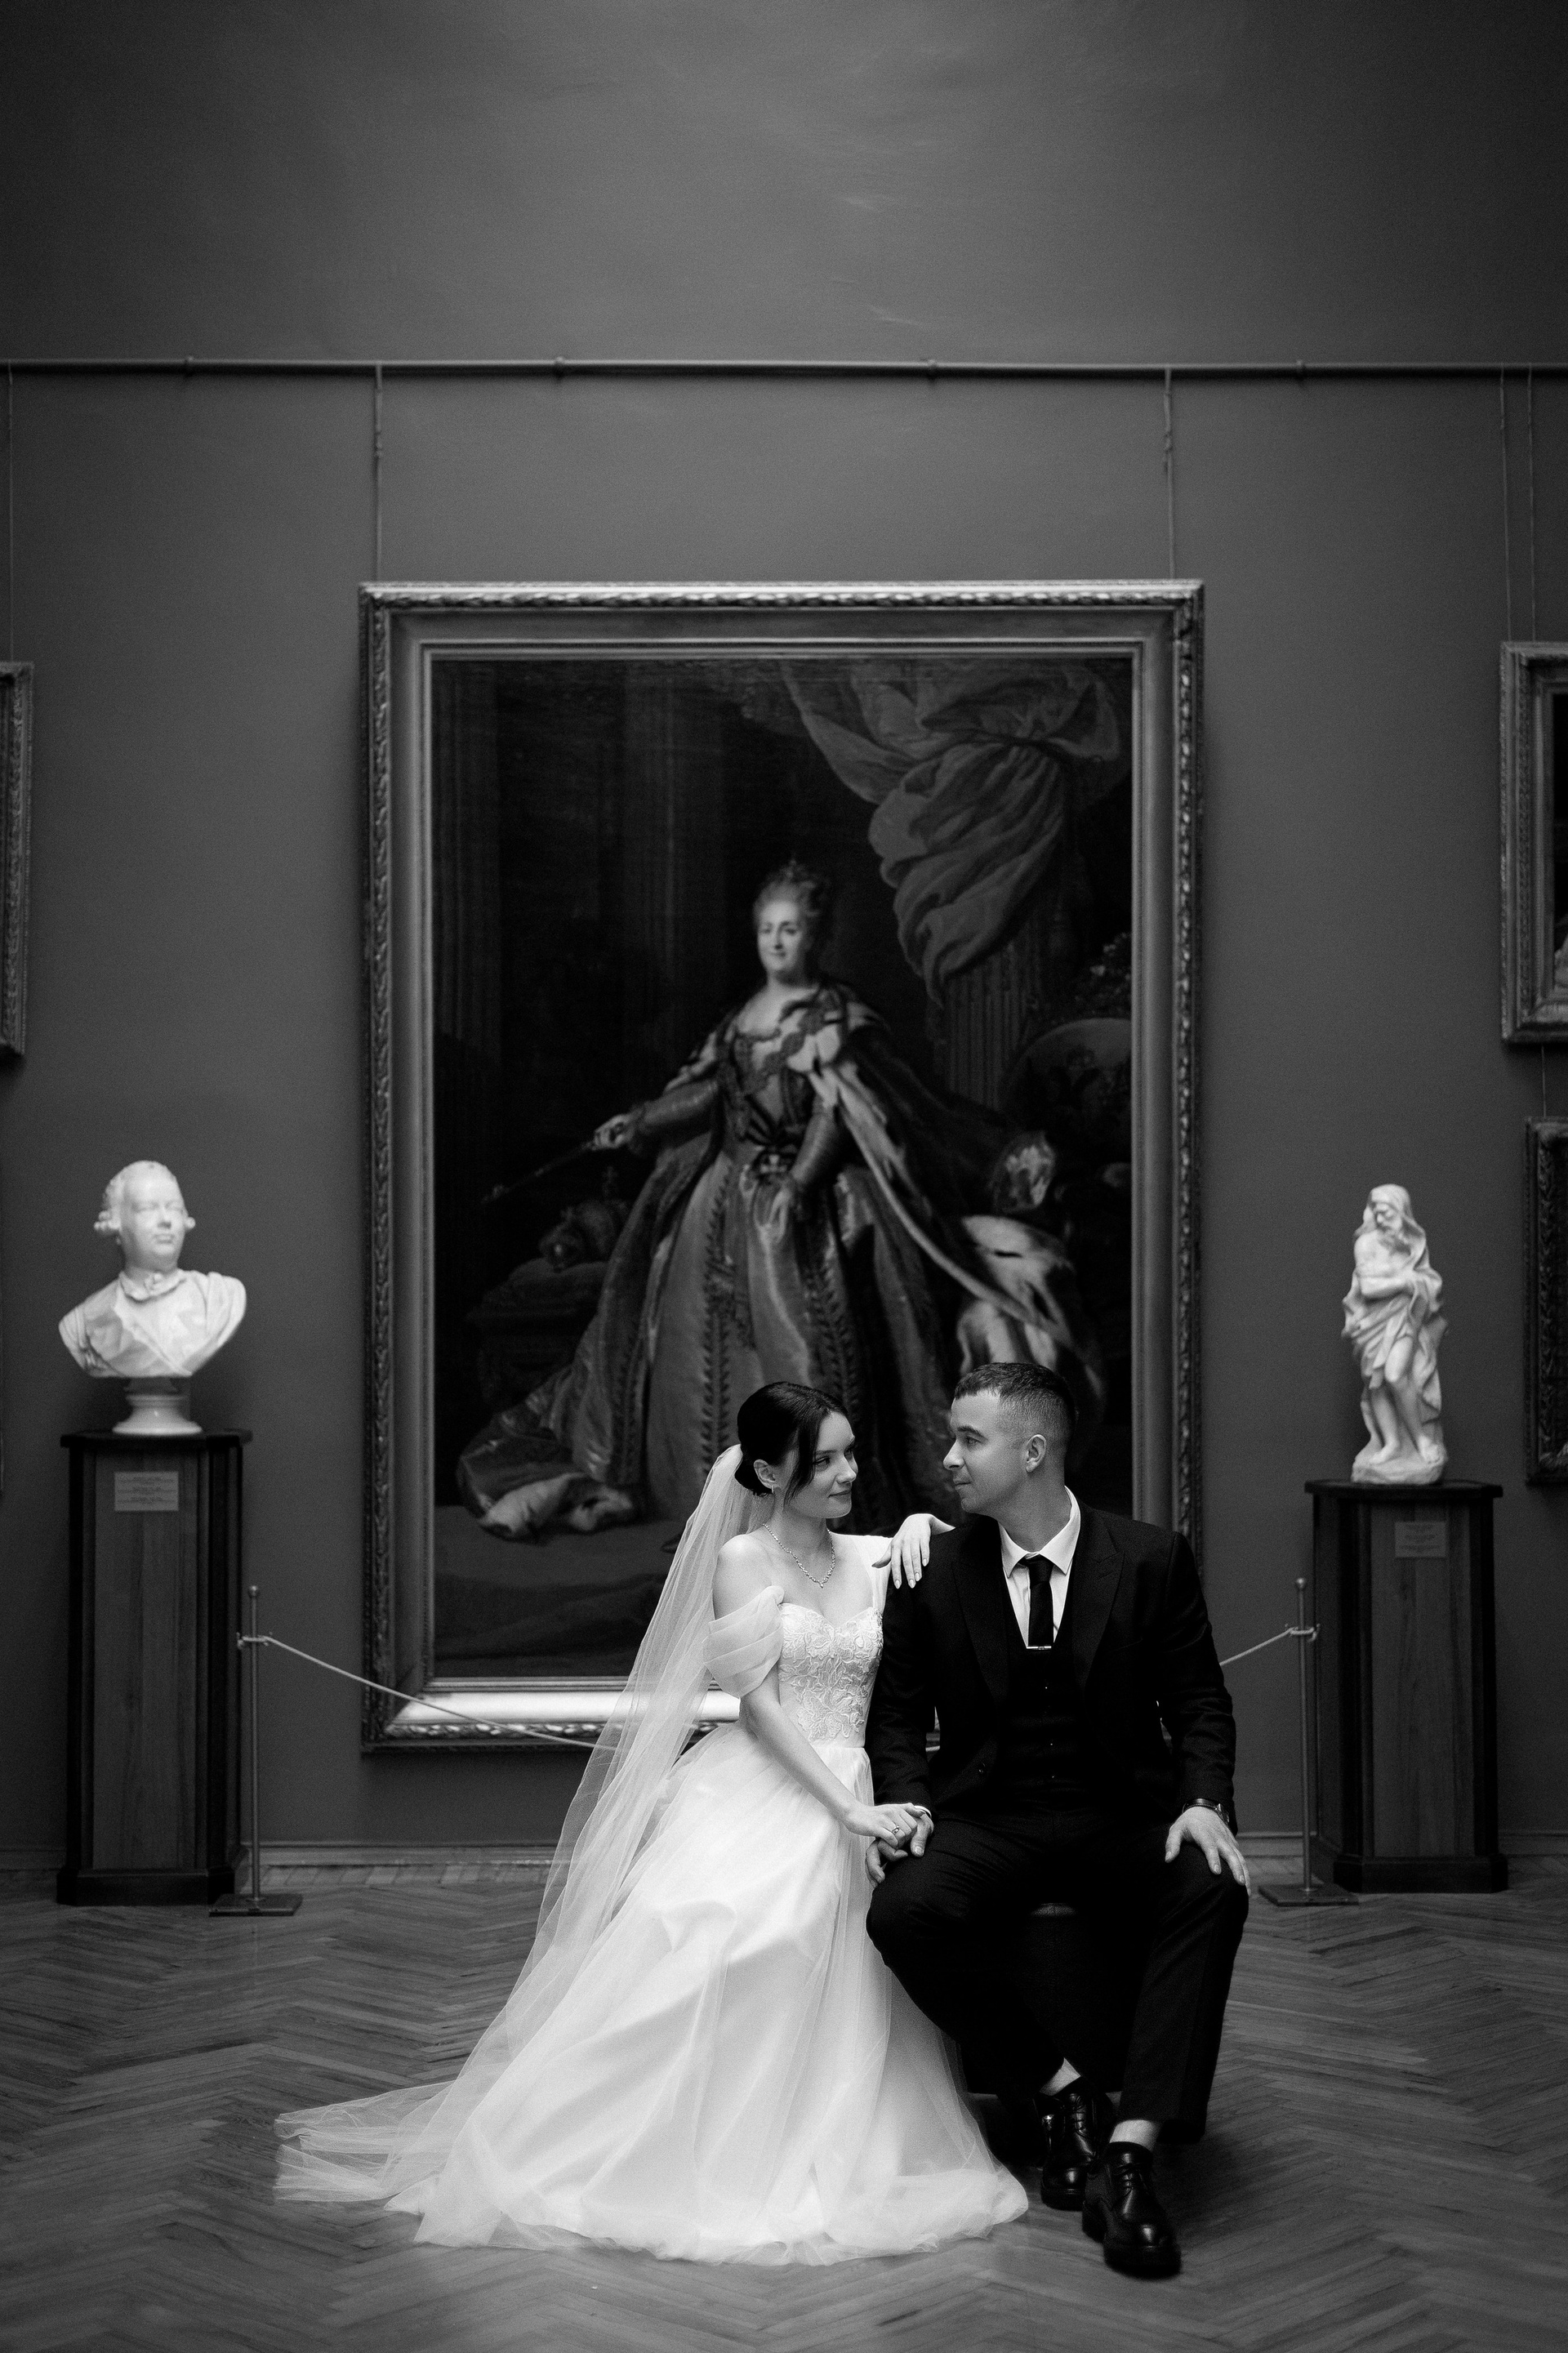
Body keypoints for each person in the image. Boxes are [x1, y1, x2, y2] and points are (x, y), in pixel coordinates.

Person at [276, 1382, 1027, 2262]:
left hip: (863, 1783)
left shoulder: (876, 1554)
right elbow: (761, 1710)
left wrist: (922, 1526)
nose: (847, 1472)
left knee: (849, 1954)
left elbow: (939, 1555)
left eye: (851, 1453)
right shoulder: (742, 1560)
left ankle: (817, 2140)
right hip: (780, 1783)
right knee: (733, 1935)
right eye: (823, 1459)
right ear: (768, 1473)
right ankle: (670, 2146)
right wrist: (846, 1808)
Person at [490, 859, 1102, 1538]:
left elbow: (835, 1112)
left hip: (802, 1213)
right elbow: (714, 1093)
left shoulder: (833, 1015)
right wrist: (642, 1120)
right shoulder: (744, 1017)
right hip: (719, 1201)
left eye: (791, 929)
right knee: (691, 1351)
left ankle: (813, 1511)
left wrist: (800, 1183)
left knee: (804, 1346)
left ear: (817, 935)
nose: (777, 942)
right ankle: (710, 1503)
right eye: (767, 930)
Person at [865, 1361, 1247, 2280]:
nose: (949, 1457)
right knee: (903, 1910)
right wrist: (905, 1803)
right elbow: (896, 1715)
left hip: (1117, 1814)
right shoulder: (933, 1568)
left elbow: (1200, 1700)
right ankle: (1061, 2091)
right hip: (987, 1818)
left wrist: (1203, 1804)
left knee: (1212, 1883)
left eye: (970, 1439)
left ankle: (1131, 2148)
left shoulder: (1149, 1558)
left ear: (1032, 1451)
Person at [58, 1160, 247, 1380]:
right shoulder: (84, 1320)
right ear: (116, 1222)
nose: (165, 1220)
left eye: (174, 1208)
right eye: (147, 1209)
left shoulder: (220, 1298)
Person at [1341, 1183, 1446, 1482]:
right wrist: (1404, 1282)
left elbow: (1429, 1282)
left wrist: (1413, 1283)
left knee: (1396, 1375)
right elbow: (1368, 1288)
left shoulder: (1413, 1244)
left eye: (1386, 1212)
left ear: (1401, 1211)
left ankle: (1421, 1440)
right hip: (1371, 1323)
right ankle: (1392, 1444)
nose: (1380, 1218)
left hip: (1404, 1317)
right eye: (1375, 1212)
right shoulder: (1366, 1243)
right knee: (1376, 1382)